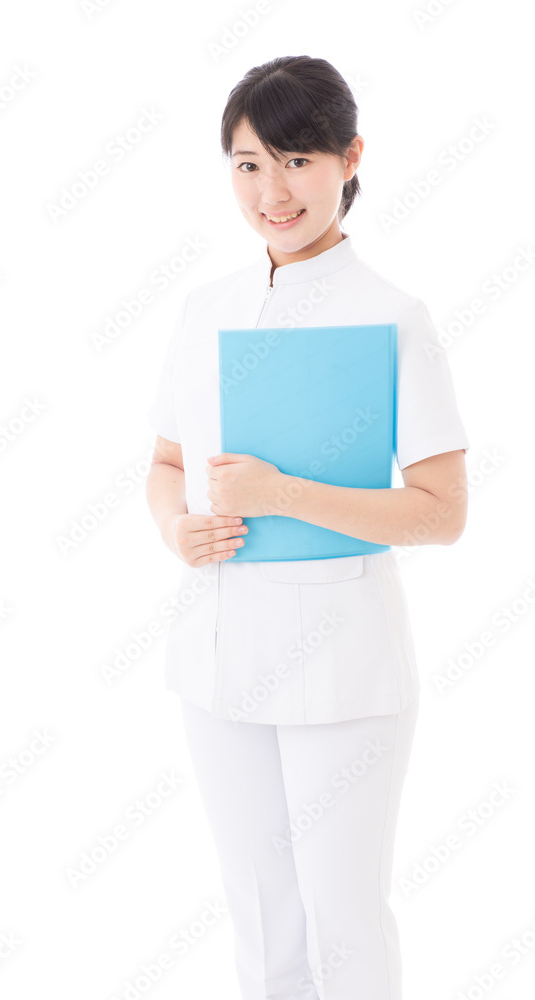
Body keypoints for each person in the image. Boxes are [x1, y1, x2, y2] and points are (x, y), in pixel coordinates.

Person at [145, 54, 470, 1000]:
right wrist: (177, 531)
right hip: (214, 659)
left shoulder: (394, 318)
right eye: (249, 165)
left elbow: (443, 514)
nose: (272, 191)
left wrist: (280, 494)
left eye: (295, 160)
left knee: (343, 924)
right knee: (259, 919)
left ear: (349, 158)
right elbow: (165, 469)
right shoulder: (202, 312)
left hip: (341, 666)